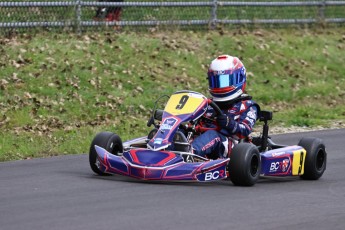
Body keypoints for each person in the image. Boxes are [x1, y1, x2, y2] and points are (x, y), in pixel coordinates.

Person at [191, 54, 260, 159]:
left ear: (239, 79)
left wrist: (229, 123)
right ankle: (166, 152)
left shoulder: (248, 106)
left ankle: (190, 154)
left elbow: (245, 130)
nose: (220, 86)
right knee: (180, 132)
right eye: (216, 82)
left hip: (234, 149)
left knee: (212, 135)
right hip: (203, 141)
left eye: (224, 81)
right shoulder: (207, 104)